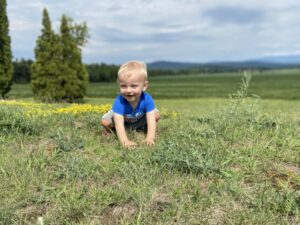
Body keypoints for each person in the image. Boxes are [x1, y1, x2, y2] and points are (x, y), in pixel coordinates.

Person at [101, 61, 160, 148]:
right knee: (105, 121)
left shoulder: (147, 99)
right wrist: (125, 141)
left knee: (156, 114)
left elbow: (151, 119)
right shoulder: (119, 102)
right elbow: (119, 124)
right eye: (123, 86)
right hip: (123, 121)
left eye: (133, 86)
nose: (128, 90)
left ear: (144, 86)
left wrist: (150, 138)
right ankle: (112, 131)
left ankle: (143, 128)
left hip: (138, 118)